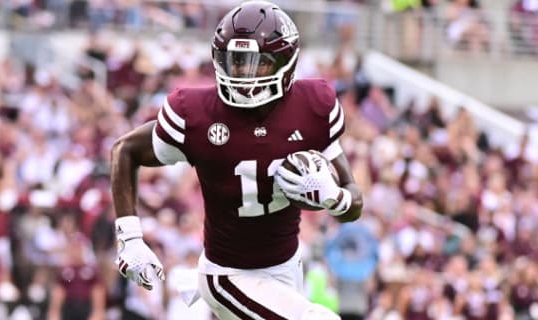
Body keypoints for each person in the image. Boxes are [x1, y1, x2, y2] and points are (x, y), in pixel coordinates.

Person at [110, 1, 363, 319]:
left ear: (286, 61)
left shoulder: (314, 106)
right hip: (227, 275)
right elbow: (125, 149)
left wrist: (336, 198)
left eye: (257, 64)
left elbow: (354, 203)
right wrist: (130, 239)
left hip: (287, 266)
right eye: (236, 62)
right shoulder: (197, 114)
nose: (243, 74)